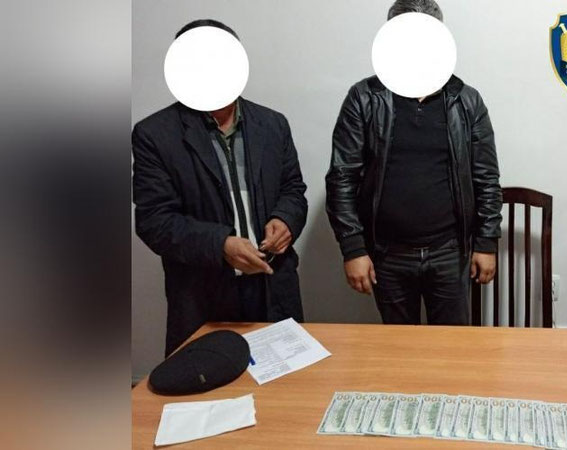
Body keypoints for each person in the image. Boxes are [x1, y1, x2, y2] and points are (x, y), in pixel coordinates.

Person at [133, 20, 308, 355]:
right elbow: (154, 221)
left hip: (273, 283)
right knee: (207, 382)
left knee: (286, 381)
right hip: (203, 292)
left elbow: (293, 188)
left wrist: (285, 219)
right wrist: (221, 245)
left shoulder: (273, 124)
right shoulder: (154, 134)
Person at [325, 0, 502, 325]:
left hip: (450, 252)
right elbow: (342, 177)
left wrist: (487, 242)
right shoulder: (364, 97)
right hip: (388, 254)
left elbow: (486, 178)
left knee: (452, 347)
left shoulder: (465, 99)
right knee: (398, 348)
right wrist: (353, 248)